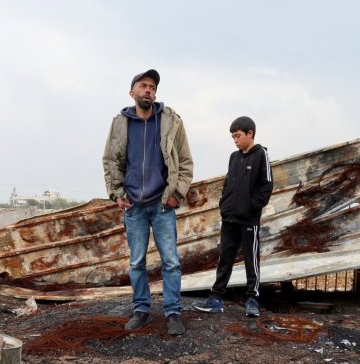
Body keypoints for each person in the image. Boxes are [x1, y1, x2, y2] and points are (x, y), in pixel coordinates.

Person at [102, 69, 194, 335]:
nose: (148, 90)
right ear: (132, 92)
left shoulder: (171, 121)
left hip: (163, 204)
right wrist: (116, 193)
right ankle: (141, 309)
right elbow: (110, 161)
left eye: (152, 87)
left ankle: (173, 312)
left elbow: (185, 162)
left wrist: (177, 194)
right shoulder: (120, 123)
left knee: (171, 261)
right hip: (134, 206)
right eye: (143, 86)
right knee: (137, 263)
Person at [193, 116, 273, 317]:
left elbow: (266, 186)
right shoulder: (234, 157)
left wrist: (252, 208)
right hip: (229, 218)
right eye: (233, 137)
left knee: (251, 259)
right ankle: (216, 299)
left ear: (250, 133)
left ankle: (252, 300)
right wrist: (225, 204)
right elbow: (228, 184)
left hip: (248, 220)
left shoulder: (261, 154)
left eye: (238, 136)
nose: (235, 140)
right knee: (224, 259)